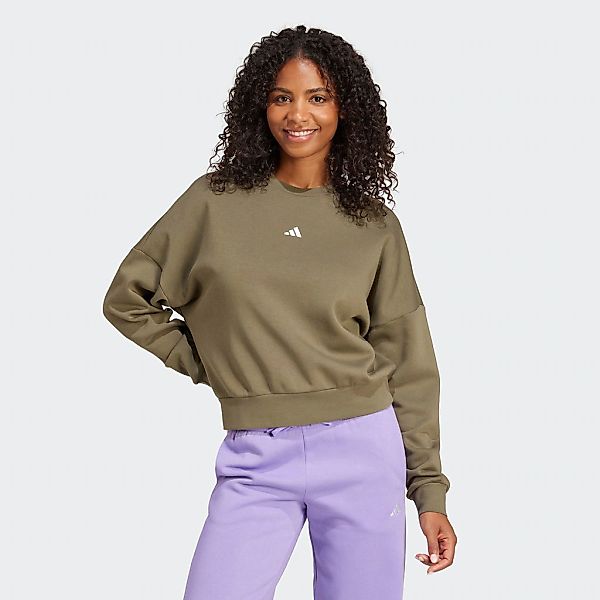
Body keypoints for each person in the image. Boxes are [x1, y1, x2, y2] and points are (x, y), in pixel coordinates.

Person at [102, 24, 457, 600]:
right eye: (281, 97)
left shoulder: (374, 225)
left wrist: (429, 492)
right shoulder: (213, 202)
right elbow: (127, 299)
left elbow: (408, 361)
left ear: (345, 109)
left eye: (318, 97)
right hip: (256, 456)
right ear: (259, 106)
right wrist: (212, 365)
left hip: (365, 450)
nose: (298, 114)